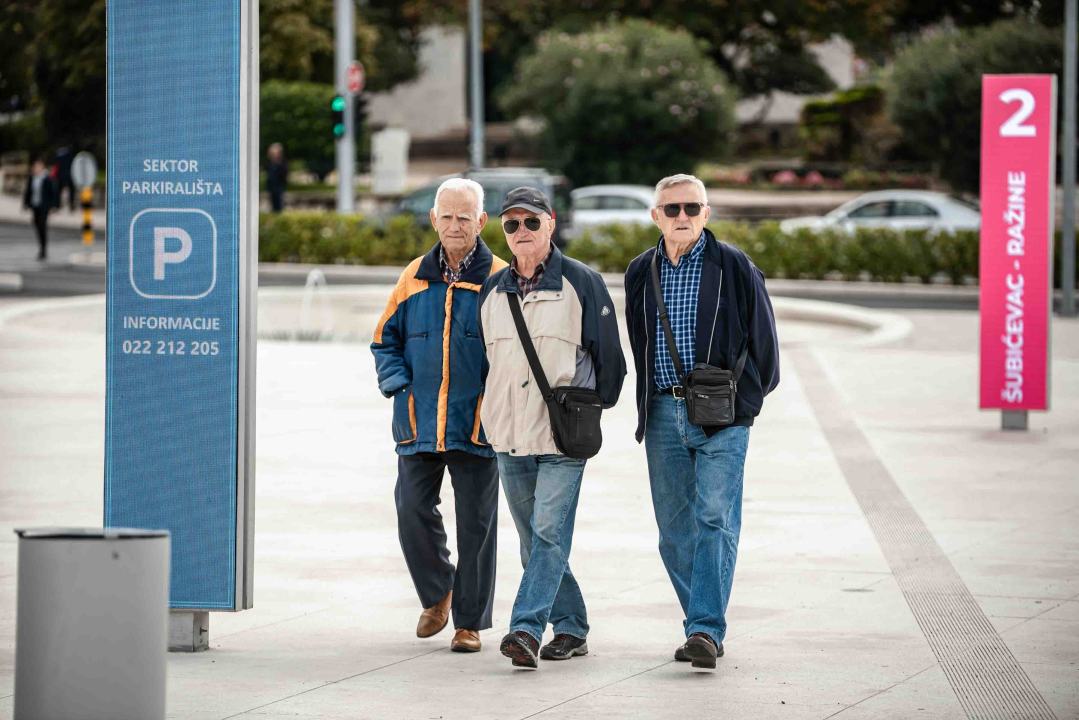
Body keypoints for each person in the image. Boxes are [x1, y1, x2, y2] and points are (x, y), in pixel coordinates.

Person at [623, 174, 780, 670]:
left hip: (723, 415)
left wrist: (744, 402)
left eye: (693, 207)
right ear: (656, 216)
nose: (683, 217)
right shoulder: (638, 271)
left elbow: (766, 345)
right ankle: (700, 621)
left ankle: (705, 630)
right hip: (663, 412)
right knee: (673, 531)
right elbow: (639, 341)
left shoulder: (733, 265)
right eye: (672, 209)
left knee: (715, 518)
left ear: (707, 213)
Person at [476, 187, 626, 668]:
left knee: (546, 535)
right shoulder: (492, 290)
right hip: (508, 436)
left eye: (531, 222)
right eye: (511, 225)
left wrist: (586, 411)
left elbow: (611, 363)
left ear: (551, 223)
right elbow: (487, 362)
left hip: (562, 438)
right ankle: (573, 626)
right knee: (534, 540)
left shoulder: (582, 282)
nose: (521, 232)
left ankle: (524, 628)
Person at [371, 178, 507, 653]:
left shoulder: (500, 279)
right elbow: (384, 340)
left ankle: (469, 622)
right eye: (446, 216)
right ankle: (438, 592)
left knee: (477, 524)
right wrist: (398, 385)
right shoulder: (414, 275)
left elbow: (512, 355)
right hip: (419, 419)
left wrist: (498, 402)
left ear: (481, 222)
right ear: (433, 219)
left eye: (464, 217)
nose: (454, 225)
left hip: (478, 424)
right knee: (411, 508)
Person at [23, 159, 57, 261]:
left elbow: (52, 193)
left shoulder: (47, 179)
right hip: (35, 206)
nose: (35, 169)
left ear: (42, 167)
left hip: (44, 207)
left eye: (37, 167)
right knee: (37, 225)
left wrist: (53, 206)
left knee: (42, 226)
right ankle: (41, 247)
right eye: (34, 167)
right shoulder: (32, 178)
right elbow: (28, 192)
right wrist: (25, 204)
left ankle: (43, 249)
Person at [54, 146, 76, 212]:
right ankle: (71, 205)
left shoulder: (59, 157)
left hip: (61, 176)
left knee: (58, 192)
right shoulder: (71, 157)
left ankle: (57, 205)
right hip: (69, 176)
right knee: (71, 191)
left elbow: (56, 165)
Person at [266, 143, 287, 213]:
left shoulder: (281, 163)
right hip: (272, 187)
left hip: (278, 187)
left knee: (278, 204)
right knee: (273, 204)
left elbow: (283, 176)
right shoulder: (271, 164)